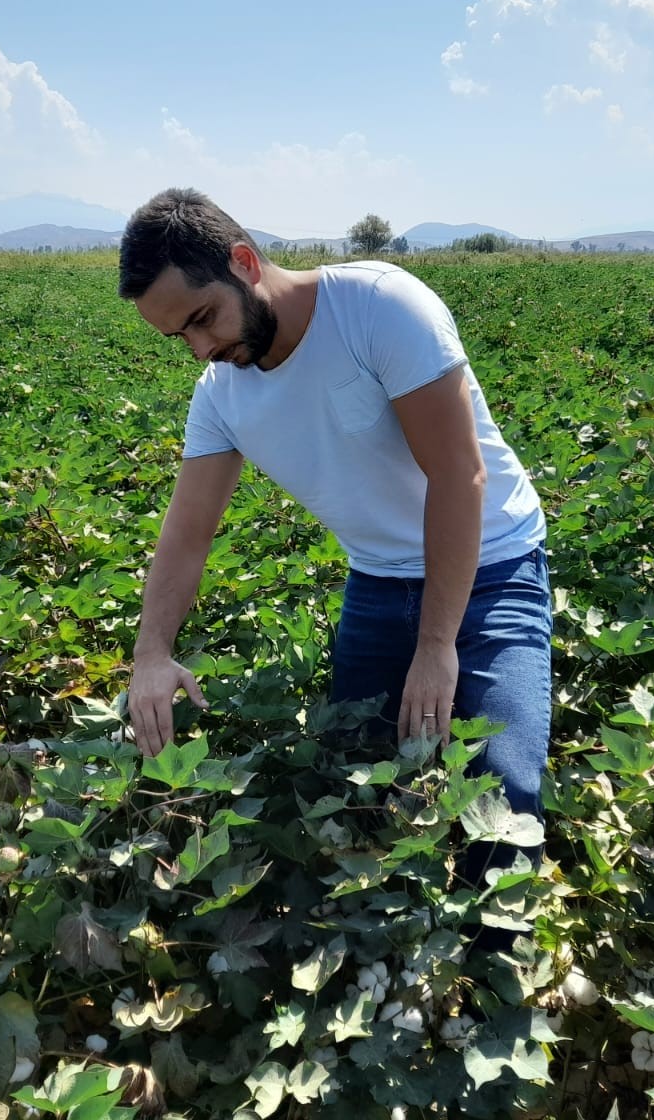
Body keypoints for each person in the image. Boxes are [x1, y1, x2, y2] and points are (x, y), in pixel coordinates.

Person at [116, 187, 552, 834]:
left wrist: (436, 647)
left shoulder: (379, 308)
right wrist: (151, 652)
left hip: (492, 566)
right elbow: (187, 534)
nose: (200, 349)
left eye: (204, 318)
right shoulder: (221, 397)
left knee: (503, 802)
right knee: (353, 785)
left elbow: (458, 475)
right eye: (179, 336)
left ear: (243, 261)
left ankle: (492, 933)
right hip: (378, 584)